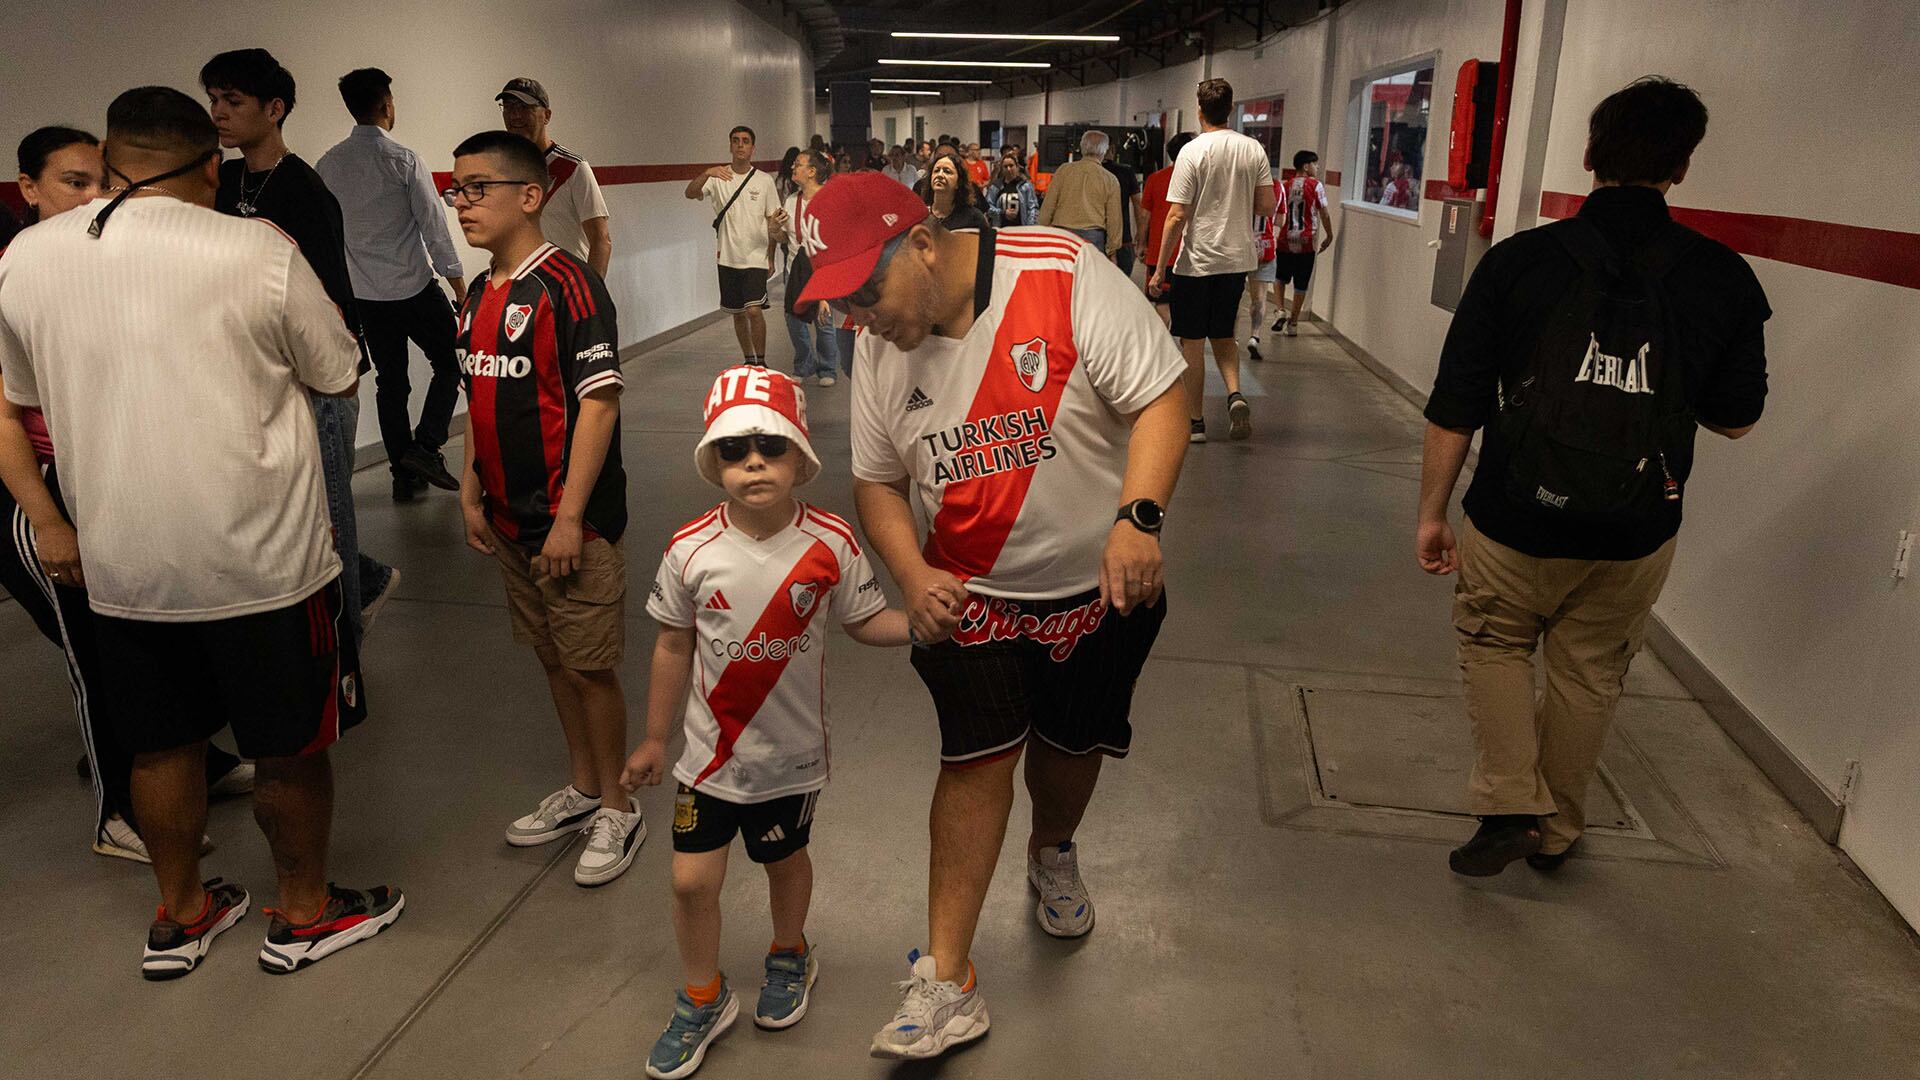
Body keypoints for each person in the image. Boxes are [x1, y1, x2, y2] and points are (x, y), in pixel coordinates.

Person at [0, 86, 404, 979]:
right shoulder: (255, 250)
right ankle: (302, 913)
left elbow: (22, 395)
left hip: (122, 562)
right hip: (262, 561)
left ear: (111, 164)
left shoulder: (29, 256)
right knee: (289, 745)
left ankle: (181, 915)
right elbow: (338, 372)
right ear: (208, 167)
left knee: (161, 743)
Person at [791, 173, 1189, 1060]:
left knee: (1071, 749)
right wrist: (912, 568)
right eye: (840, 302)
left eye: (866, 292)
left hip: (1101, 593)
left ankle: (1054, 850)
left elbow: (1163, 393)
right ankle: (947, 978)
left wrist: (1139, 519)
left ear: (924, 244)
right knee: (973, 765)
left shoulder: (1064, 272)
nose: (857, 318)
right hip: (970, 602)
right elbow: (877, 480)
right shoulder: (881, 350)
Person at [1416, 77, 1770, 876]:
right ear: (1681, 170)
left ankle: (1509, 803)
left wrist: (1432, 510)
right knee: (1591, 670)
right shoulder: (1721, 277)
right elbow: (1738, 417)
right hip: (1638, 526)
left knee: (1496, 642)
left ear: (1588, 156)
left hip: (1514, 513)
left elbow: (1455, 404)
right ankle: (1559, 830)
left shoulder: (1520, 264)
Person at [627, 365, 908, 1079]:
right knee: (692, 883)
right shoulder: (690, 548)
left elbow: (867, 620)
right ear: (713, 460)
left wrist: (925, 626)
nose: (753, 461)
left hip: (791, 760)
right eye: (733, 448)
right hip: (707, 761)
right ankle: (703, 995)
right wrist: (657, 736)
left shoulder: (832, 542)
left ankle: (790, 953)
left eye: (770, 446)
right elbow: (671, 642)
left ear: (800, 457)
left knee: (783, 860)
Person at [0, 125, 252, 864]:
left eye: (101, 180)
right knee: (97, 656)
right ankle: (120, 811)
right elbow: (6, 420)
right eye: (74, 182)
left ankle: (192, 758)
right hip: (48, 491)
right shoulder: (17, 273)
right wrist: (47, 521)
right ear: (30, 190)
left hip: (119, 481)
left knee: (154, 640)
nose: (93, 196)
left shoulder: (102, 265)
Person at [448, 130, 642, 888]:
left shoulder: (569, 285)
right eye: (455, 189)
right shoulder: (477, 292)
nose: (462, 204)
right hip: (507, 521)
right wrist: (470, 489)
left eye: (476, 189)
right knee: (552, 659)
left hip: (574, 527)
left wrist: (568, 517)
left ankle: (620, 806)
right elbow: (480, 397)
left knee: (591, 666)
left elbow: (599, 405)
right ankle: (584, 786)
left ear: (529, 196)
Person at [203, 48, 400, 640]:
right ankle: (362, 581)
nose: (219, 113)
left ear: (274, 108)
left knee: (329, 512)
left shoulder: (304, 190)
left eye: (233, 101)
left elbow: (330, 296)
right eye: (213, 99)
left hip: (315, 375)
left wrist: (332, 376)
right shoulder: (226, 178)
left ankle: (344, 644)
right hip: (254, 372)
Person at [315, 67, 469, 504]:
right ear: (386, 105)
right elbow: (434, 226)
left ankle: (404, 476)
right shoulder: (403, 160)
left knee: (391, 383)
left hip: (366, 298)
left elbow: (328, 236)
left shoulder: (328, 164)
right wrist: (458, 285)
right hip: (416, 288)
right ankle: (426, 447)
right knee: (453, 361)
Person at [1149, 78, 1276, 444]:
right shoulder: (1253, 149)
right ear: (1231, 109)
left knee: (1192, 342)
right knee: (1224, 334)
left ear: (1199, 111)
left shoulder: (1191, 152)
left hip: (1197, 262)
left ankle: (1196, 421)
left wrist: (1160, 269)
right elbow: (1267, 206)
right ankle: (1235, 394)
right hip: (1236, 261)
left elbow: (1176, 216)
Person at [496, 78, 612, 277]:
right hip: (528, 292)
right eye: (509, 107)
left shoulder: (573, 168)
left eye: (525, 107)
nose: (515, 115)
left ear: (546, 115)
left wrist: (591, 297)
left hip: (568, 290)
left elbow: (601, 240)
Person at [685, 125, 781, 366]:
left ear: (752, 148)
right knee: (738, 312)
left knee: (754, 310)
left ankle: (761, 361)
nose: (740, 145)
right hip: (728, 257)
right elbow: (690, 192)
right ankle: (749, 359)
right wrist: (707, 173)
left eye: (745, 141)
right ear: (730, 146)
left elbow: (772, 220)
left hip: (755, 256)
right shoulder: (718, 177)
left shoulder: (764, 181)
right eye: (736, 141)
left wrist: (771, 257)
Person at [778, 149, 840, 386]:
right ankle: (803, 364)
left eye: (798, 164)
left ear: (812, 171)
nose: (793, 168)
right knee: (793, 318)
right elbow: (785, 238)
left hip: (821, 268)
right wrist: (775, 228)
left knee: (823, 319)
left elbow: (834, 241)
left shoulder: (830, 199)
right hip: (794, 268)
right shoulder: (791, 200)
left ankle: (827, 368)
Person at [1273, 149, 1335, 339]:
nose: (1317, 167)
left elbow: (1278, 214)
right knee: (1301, 284)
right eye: (1315, 164)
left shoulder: (1285, 185)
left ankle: (1280, 309)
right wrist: (1329, 235)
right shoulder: (1316, 186)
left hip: (1285, 239)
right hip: (1306, 241)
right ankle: (1293, 323)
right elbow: (1323, 212)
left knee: (1279, 278)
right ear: (1306, 166)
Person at [1037, 130, 1123, 257]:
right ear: (1104, 151)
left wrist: (1042, 230)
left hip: (1062, 236)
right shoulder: (1110, 179)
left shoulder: (1063, 171)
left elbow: (1048, 206)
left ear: (1082, 147)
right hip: (1093, 238)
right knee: (1089, 276)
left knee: (1063, 275)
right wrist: (1112, 249)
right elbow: (1114, 219)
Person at [1139, 131, 1194, 327]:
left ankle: (1166, 338)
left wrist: (1141, 243)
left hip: (1159, 251)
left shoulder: (1155, 179)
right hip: (1190, 253)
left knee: (1161, 300)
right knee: (1187, 299)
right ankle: (1184, 340)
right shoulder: (1198, 181)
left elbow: (1145, 215)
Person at [1245, 179, 1279, 361]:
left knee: (1233, 294)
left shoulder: (1241, 183)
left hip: (1240, 245)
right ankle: (1254, 335)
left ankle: (1231, 338)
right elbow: (1280, 219)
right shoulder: (1277, 186)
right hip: (1265, 247)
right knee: (1259, 298)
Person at [914, 152, 987, 232]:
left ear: (959, 182)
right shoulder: (919, 216)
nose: (940, 175)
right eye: (936, 171)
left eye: (947, 171)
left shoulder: (974, 218)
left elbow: (987, 243)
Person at [1098, 139, 1141, 276]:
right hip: (1122, 237)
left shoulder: (1091, 173)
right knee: (1122, 283)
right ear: (1112, 149)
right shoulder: (1126, 171)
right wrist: (1140, 234)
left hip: (1095, 236)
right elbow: (1137, 204)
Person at [983, 154, 1038, 228]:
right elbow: (987, 207)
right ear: (1002, 169)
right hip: (1000, 229)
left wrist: (1029, 227)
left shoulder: (1026, 186)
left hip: (1021, 229)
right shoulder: (995, 187)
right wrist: (1003, 213)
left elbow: (1033, 208)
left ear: (1017, 167)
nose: (1008, 169)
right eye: (1005, 167)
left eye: (1011, 165)